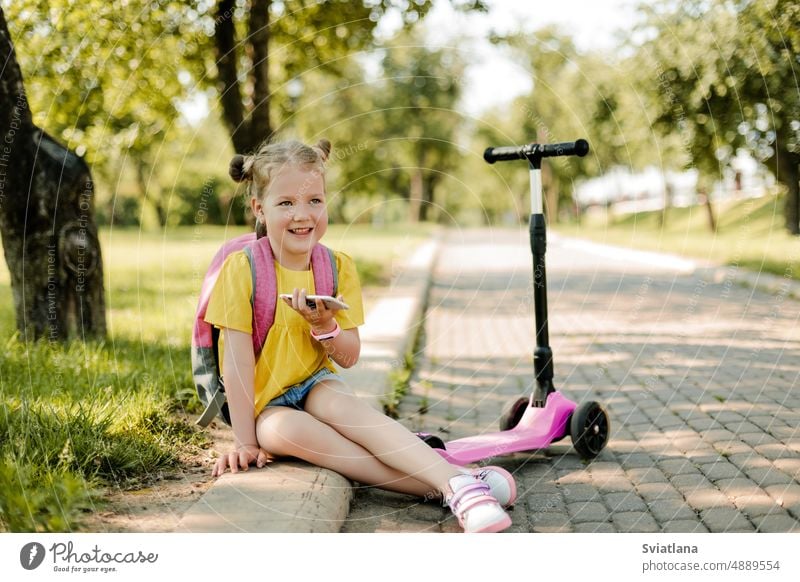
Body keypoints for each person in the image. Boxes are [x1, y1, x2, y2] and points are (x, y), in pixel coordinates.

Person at [205, 138, 515, 533]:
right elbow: (236, 362)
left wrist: (325, 327)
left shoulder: (336, 267)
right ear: (259, 209)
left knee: (353, 414)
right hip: (267, 406)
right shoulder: (242, 269)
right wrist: (245, 442)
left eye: (315, 200)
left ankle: (457, 486)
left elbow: (348, 356)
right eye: (286, 203)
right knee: (305, 440)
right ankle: (457, 482)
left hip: (315, 384)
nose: (303, 215)